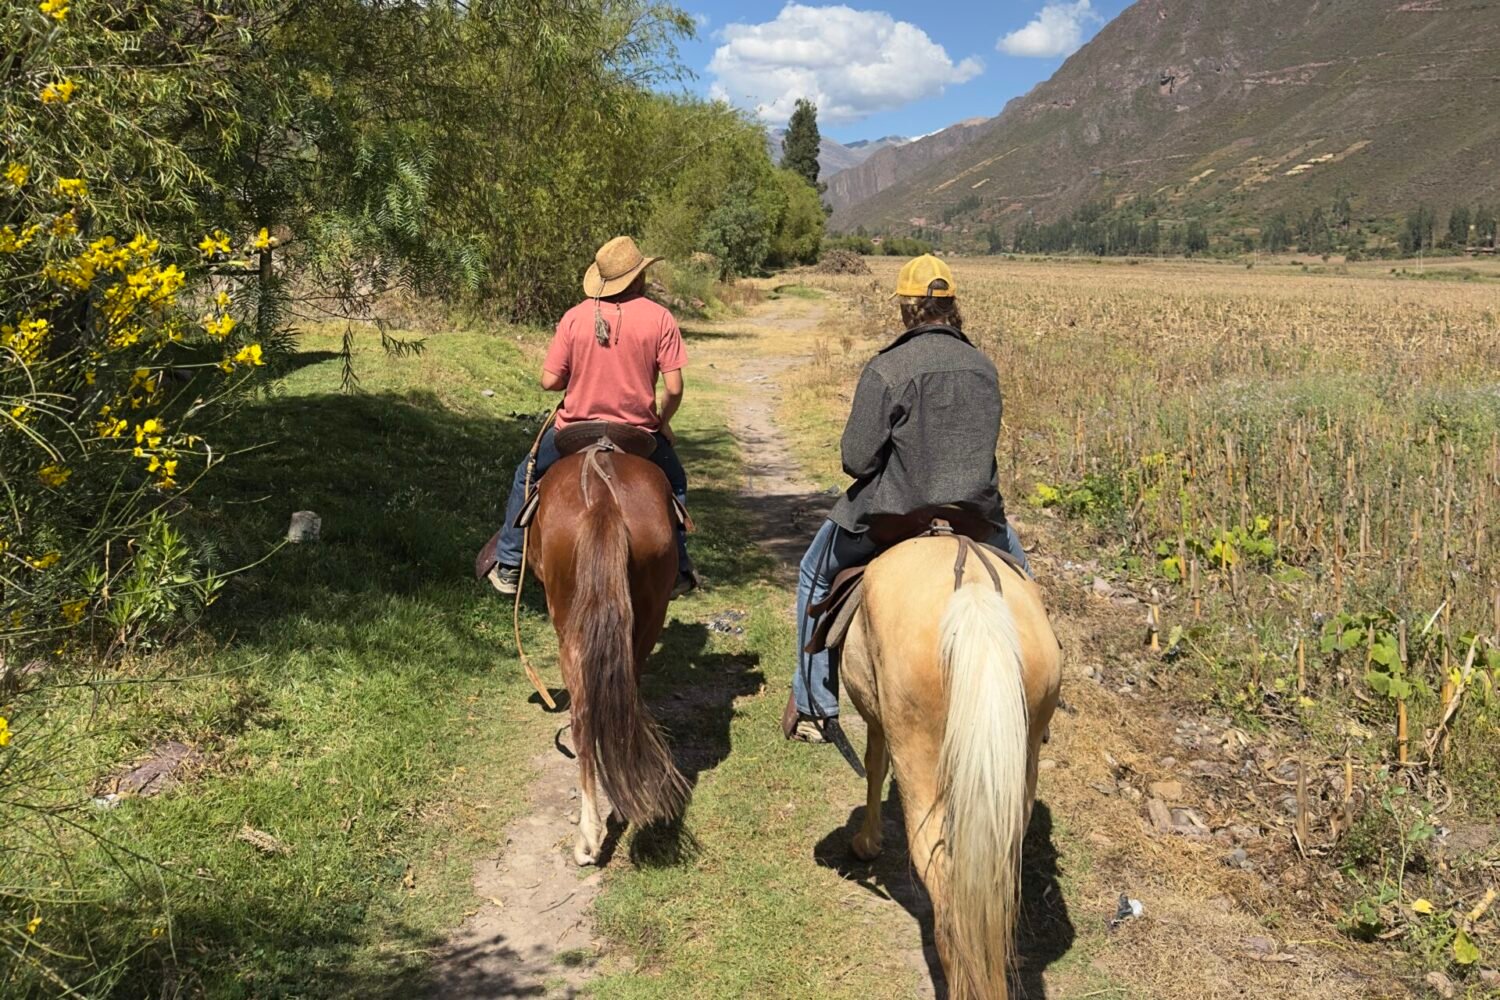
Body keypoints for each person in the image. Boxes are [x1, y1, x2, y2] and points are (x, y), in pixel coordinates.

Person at [785, 254, 1030, 743]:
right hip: (976, 517)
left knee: (814, 572)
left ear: (907, 307)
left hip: (895, 517)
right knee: (1025, 585)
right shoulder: (984, 368)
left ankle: (814, 703)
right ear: (952, 305)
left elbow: (856, 460)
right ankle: (1032, 699)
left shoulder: (888, 368)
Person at [490, 235, 698, 598]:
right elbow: (675, 388)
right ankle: (678, 565)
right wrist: (663, 422)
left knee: (527, 473)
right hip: (637, 435)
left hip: (575, 431)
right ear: (638, 277)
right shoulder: (660, 317)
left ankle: (509, 562)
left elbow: (549, 381)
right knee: (675, 481)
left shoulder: (575, 316)